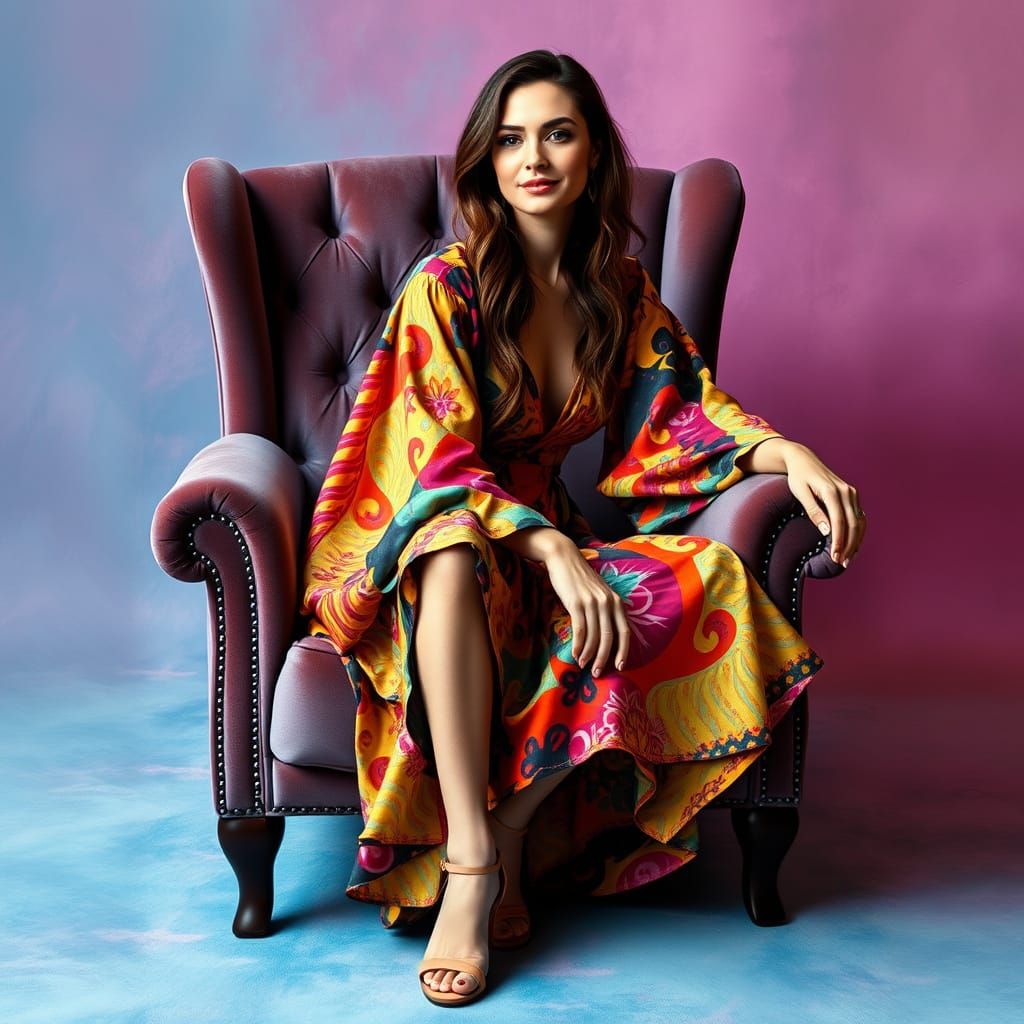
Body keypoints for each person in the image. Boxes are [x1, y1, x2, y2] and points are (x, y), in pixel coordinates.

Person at [300, 49, 866, 1007]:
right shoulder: (449, 284)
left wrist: (789, 455)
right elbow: (432, 464)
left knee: (715, 576)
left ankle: (514, 823)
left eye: (557, 133)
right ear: (485, 159)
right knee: (447, 548)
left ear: (593, 150)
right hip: (428, 543)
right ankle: (473, 870)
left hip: (545, 543)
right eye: (511, 138)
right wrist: (548, 544)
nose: (533, 157)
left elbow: (682, 418)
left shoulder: (619, 288)